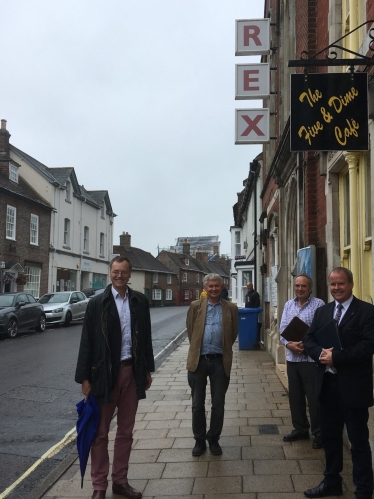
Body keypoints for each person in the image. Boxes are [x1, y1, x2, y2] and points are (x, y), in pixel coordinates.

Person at [75, 256, 155, 499]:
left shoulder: (140, 301)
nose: (120, 275)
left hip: (131, 372)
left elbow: (146, 339)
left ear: (130, 275)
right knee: (100, 433)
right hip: (104, 376)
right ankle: (99, 485)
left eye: (124, 272)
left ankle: (120, 481)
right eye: (116, 271)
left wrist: (147, 370)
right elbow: (86, 342)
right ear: (110, 273)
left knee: (125, 432)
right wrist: (85, 378)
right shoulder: (97, 303)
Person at [303, 267, 374, 499]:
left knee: (358, 442)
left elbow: (367, 347)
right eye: (333, 284)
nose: (336, 288)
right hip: (328, 386)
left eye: (341, 284)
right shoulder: (323, 312)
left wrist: (337, 357)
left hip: (353, 387)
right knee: (331, 439)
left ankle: (364, 489)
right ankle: (332, 481)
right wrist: (320, 353)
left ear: (351, 284)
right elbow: (308, 339)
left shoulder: (366, 312)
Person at [186, 273, 238, 457]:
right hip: (198, 361)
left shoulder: (230, 308)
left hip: (219, 361)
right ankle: (199, 440)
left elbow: (233, 334)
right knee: (197, 404)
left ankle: (214, 439)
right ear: (205, 288)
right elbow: (191, 331)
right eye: (210, 286)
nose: (214, 289)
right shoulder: (195, 306)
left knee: (218, 403)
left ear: (222, 286)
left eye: (217, 286)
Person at [279, 274, 324, 449]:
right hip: (292, 358)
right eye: (297, 285)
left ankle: (319, 433)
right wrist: (288, 344)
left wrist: (307, 346)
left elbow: (321, 330)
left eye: (303, 286)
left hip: (310, 360)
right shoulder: (288, 305)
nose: (299, 289)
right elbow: (283, 329)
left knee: (314, 398)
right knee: (295, 397)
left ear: (310, 288)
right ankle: (300, 429)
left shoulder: (319, 305)